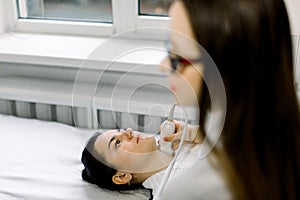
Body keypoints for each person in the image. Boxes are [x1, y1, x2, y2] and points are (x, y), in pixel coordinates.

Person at [157, 0, 300, 199]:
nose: (163, 66)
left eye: (178, 58)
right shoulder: (284, 125)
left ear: (229, 68)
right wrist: (194, 133)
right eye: (168, 48)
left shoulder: (189, 192)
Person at [81, 127, 200, 194]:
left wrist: (199, 133)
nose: (128, 131)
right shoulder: (169, 192)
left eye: (121, 130)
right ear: (122, 176)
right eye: (117, 143)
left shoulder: (184, 141)